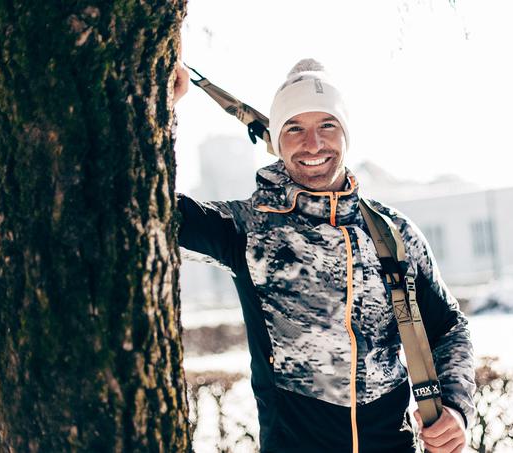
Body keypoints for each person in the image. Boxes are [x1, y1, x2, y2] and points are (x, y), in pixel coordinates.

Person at [172, 58, 475, 453]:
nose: (313, 144)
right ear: (276, 139)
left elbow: (448, 327)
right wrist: (162, 110)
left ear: (346, 135)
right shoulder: (246, 227)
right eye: (295, 128)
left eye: (326, 126)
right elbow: (150, 209)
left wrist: (455, 406)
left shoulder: (392, 233)